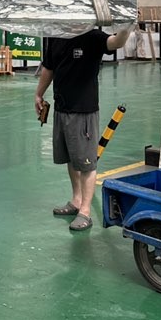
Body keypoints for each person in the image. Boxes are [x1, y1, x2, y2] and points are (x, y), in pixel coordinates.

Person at [34, 25, 132, 232]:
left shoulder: (92, 36)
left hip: (83, 111)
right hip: (61, 108)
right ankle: (76, 200)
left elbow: (116, 42)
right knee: (71, 158)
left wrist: (127, 27)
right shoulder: (54, 35)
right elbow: (49, 67)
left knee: (87, 163)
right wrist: (39, 94)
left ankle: (85, 212)